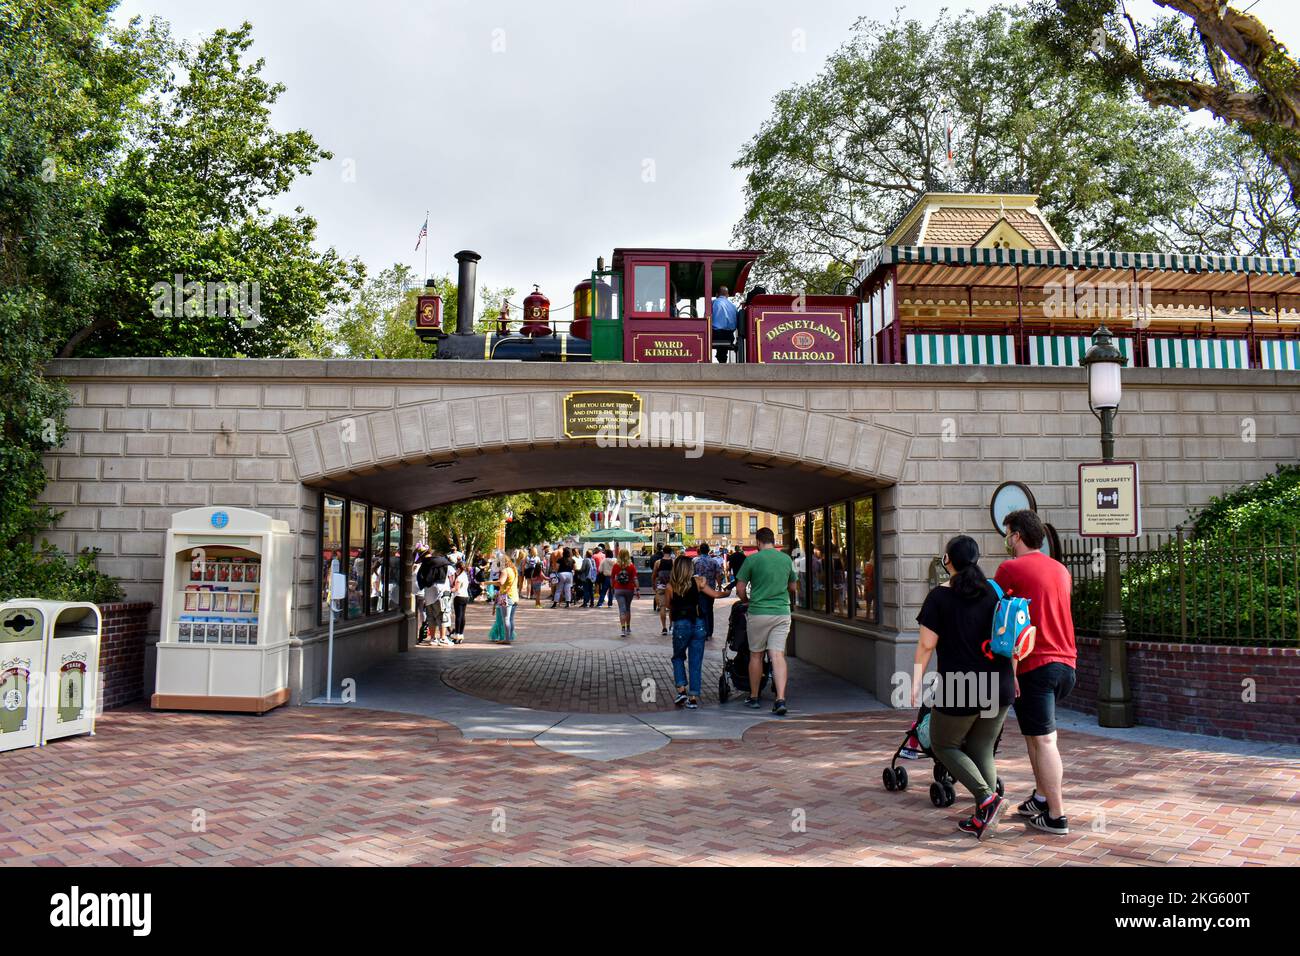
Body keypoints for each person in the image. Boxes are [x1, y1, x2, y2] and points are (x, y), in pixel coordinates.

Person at [913, 535, 1013, 840]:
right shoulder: (994, 592)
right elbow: (1010, 641)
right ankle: (985, 815)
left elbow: (927, 645)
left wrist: (916, 681)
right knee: (982, 747)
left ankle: (987, 799)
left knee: (943, 744)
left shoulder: (938, 597)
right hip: (999, 684)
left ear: (948, 561)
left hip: (962, 687)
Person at [996, 509, 1077, 836]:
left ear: (1016, 535)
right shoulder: (1061, 571)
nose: (1007, 540)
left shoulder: (1010, 569)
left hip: (1035, 665)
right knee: (1035, 735)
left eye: (1008, 533)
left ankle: (1056, 815)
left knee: (1043, 740)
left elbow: (999, 617)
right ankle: (1042, 798)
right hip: (1066, 664)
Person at [735, 527, 796, 715]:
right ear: (773, 540)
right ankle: (780, 699)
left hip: (758, 612)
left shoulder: (752, 559)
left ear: (758, 542)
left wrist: (746, 601)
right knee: (777, 656)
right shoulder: (786, 559)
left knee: (756, 655)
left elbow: (740, 588)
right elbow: (793, 587)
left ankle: (754, 697)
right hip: (781, 612)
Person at [665, 555, 728, 709]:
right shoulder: (698, 582)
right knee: (696, 661)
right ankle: (693, 697)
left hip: (681, 624)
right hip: (698, 624)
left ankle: (681, 689)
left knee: (678, 657)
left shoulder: (670, 587)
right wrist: (727, 592)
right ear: (689, 569)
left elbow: (669, 607)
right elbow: (715, 594)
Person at [692, 542, 724, 640]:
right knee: (709, 609)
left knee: (701, 609)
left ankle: (703, 630)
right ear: (709, 550)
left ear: (700, 550)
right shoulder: (714, 562)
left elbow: (692, 575)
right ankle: (709, 631)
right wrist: (719, 585)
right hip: (711, 589)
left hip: (699, 589)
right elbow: (718, 575)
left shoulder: (695, 561)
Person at [610, 548, 639, 637]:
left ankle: (622, 629)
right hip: (629, 589)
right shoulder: (631, 566)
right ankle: (628, 628)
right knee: (628, 608)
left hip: (618, 589)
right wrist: (637, 589)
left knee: (622, 610)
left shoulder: (615, 566)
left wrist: (612, 587)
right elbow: (635, 579)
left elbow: (612, 578)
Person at [494, 554, 520, 643]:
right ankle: (510, 637)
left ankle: (507, 639)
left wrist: (487, 583)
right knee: (511, 619)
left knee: (505, 618)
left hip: (505, 596)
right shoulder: (514, 569)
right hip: (514, 596)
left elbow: (501, 582)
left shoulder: (505, 571)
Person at [711, 285, 738, 363]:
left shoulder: (713, 302)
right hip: (729, 336)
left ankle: (719, 358)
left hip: (716, 335)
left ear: (716, 294)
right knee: (722, 351)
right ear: (728, 295)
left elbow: (707, 319)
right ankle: (722, 359)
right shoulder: (733, 306)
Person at [652, 545, 673, 635]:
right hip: (672, 588)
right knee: (672, 607)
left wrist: (653, 585)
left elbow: (654, 575)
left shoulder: (658, 562)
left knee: (662, 607)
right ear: (671, 552)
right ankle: (671, 626)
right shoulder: (674, 562)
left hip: (660, 587)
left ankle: (664, 627)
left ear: (663, 552)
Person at [448, 559, 470, 642]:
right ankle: (461, 634)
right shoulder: (465, 576)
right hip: (465, 596)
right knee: (462, 615)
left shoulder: (460, 577)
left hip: (459, 597)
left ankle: (457, 634)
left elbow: (456, 589)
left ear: (459, 568)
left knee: (458, 616)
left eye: (456, 568)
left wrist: (449, 589)